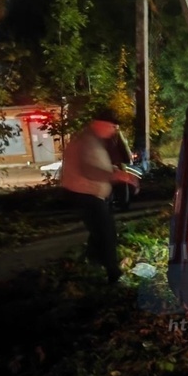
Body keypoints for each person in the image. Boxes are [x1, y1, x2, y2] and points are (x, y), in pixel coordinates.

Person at [61, 108, 139, 283]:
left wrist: (118, 172)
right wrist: (118, 176)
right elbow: (90, 171)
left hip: (89, 195)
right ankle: (113, 274)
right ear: (101, 124)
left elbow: (98, 166)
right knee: (106, 232)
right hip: (85, 195)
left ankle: (92, 264)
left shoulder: (92, 140)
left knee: (98, 232)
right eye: (112, 127)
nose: (114, 131)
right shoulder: (87, 142)